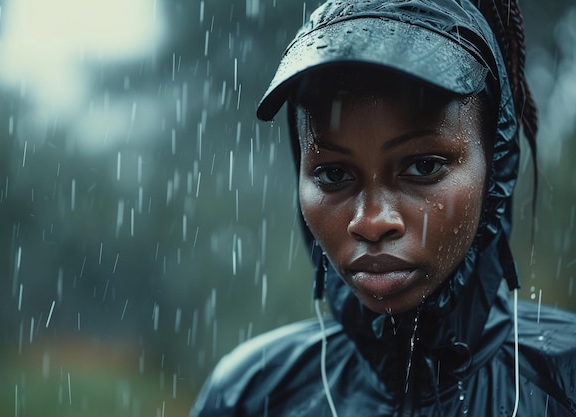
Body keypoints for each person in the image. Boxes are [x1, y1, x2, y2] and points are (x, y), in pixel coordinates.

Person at [191, 0, 576, 416]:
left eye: (424, 167)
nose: (372, 222)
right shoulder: (250, 397)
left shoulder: (565, 383)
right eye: (334, 175)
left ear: (495, 165)